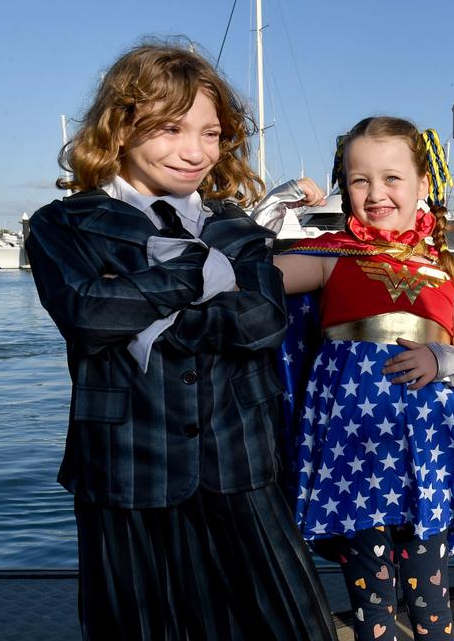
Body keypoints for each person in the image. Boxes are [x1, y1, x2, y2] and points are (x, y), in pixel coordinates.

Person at [24, 40, 335, 640]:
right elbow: (86, 313)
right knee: (137, 626)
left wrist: (141, 302)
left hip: (240, 461)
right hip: (124, 469)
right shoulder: (62, 225)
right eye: (170, 129)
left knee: (294, 625)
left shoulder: (237, 228)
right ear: (119, 128)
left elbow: (262, 322)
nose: (195, 152)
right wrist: (200, 273)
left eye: (211, 133)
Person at [273, 116, 454, 641]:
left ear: (423, 185)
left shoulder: (446, 271)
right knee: (372, 599)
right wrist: (280, 201)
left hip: (428, 457)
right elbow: (254, 274)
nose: (376, 192)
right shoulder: (330, 256)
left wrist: (441, 360)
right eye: (360, 180)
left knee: (431, 597)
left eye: (392, 178)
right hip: (353, 458)